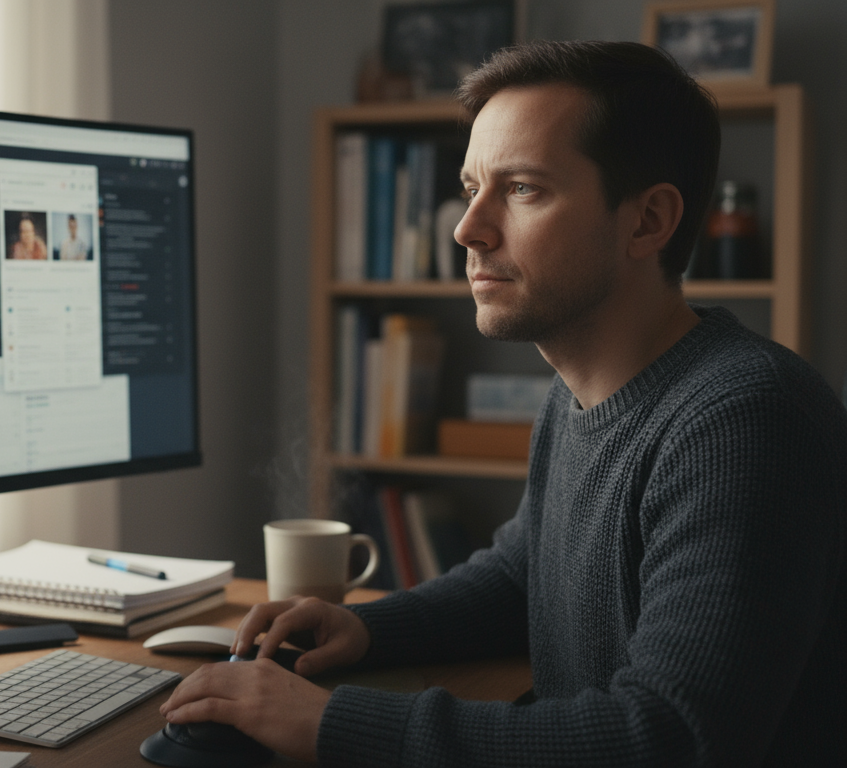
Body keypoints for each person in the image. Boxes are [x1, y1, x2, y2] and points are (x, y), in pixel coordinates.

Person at [160, 40, 847, 766]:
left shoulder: (743, 421)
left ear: (647, 222)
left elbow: (669, 739)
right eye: (471, 186)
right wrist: (366, 629)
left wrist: (333, 725)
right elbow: (522, 576)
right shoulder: (578, 392)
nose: (467, 228)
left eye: (522, 189)